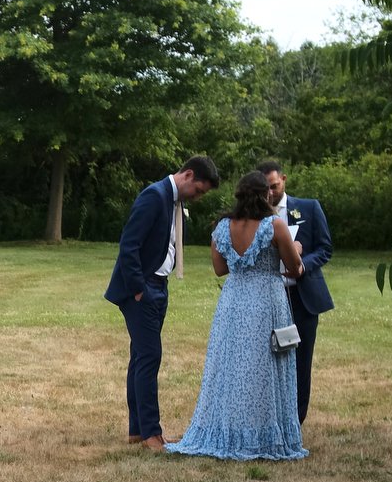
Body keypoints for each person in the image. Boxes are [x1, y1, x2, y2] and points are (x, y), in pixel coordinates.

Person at [168, 171, 308, 461]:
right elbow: (295, 269)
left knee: (233, 368)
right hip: (267, 301)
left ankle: (230, 429)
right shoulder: (275, 226)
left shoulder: (223, 227)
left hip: (233, 301)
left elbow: (220, 269)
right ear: (266, 195)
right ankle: (264, 433)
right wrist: (296, 248)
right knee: (265, 366)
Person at [104, 157, 222, 451]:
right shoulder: (154, 196)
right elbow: (129, 243)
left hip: (159, 286)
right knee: (150, 356)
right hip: (142, 290)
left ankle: (137, 430)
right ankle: (151, 435)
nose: (198, 196)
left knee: (140, 357)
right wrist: (138, 289)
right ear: (189, 175)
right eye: (199, 190)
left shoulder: (173, 202)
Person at [256, 161, 334, 425]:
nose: (270, 193)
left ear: (284, 180)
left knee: (301, 362)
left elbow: (325, 248)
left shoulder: (309, 208)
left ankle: (296, 421)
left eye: (274, 186)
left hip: (301, 298)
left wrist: (302, 265)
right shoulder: (255, 215)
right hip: (267, 297)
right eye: (265, 188)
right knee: (267, 360)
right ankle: (269, 417)